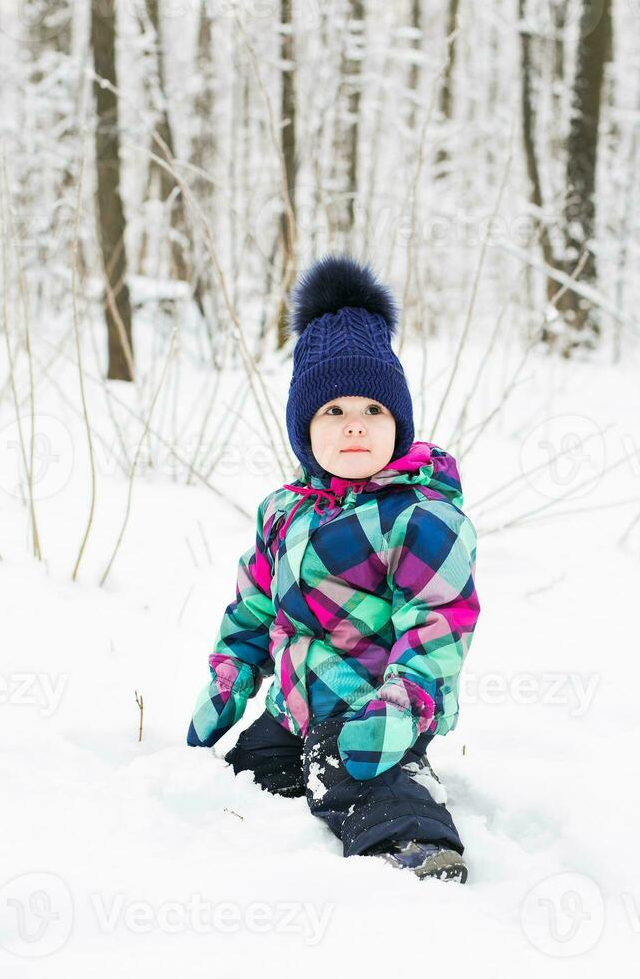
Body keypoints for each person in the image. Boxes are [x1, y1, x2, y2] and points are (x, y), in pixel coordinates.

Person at [185, 254, 482, 883]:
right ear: (304, 428)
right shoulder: (281, 513)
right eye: (333, 412)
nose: (355, 427)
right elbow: (253, 610)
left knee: (372, 787)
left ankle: (415, 839)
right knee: (247, 778)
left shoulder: (421, 516)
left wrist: (398, 711)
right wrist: (229, 679)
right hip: (292, 706)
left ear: (398, 422)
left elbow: (438, 626)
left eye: (374, 411)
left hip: (374, 710)